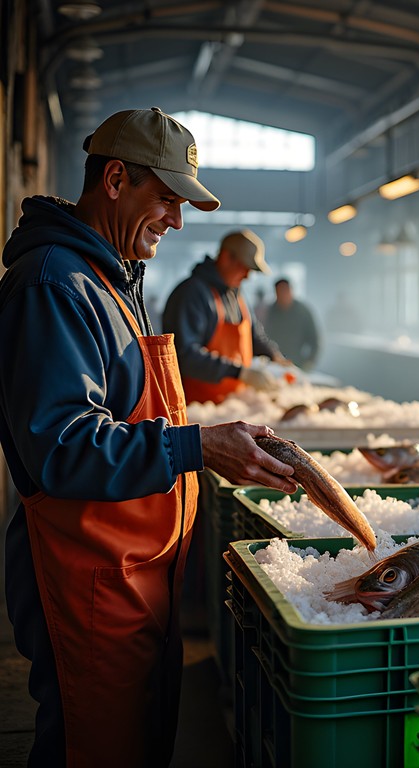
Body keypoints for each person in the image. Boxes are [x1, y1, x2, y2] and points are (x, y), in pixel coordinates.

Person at [0, 107, 298, 768]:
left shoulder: (109, 277)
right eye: (166, 199)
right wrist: (198, 446)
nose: (177, 220)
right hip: (89, 582)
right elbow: (62, 447)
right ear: (114, 180)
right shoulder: (57, 284)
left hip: (130, 573)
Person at [162, 228, 287, 404]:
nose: (247, 276)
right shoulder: (192, 294)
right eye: (245, 267)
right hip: (196, 409)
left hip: (230, 405)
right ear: (226, 257)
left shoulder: (236, 294)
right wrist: (240, 373)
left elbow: (254, 336)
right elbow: (185, 355)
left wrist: (275, 357)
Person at [263, 278, 321, 371]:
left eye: (285, 291)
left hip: (298, 363)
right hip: (276, 363)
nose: (282, 295)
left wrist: (309, 362)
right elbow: (266, 335)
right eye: (279, 292)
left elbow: (315, 339)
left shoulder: (303, 311)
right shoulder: (272, 311)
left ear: (291, 291)